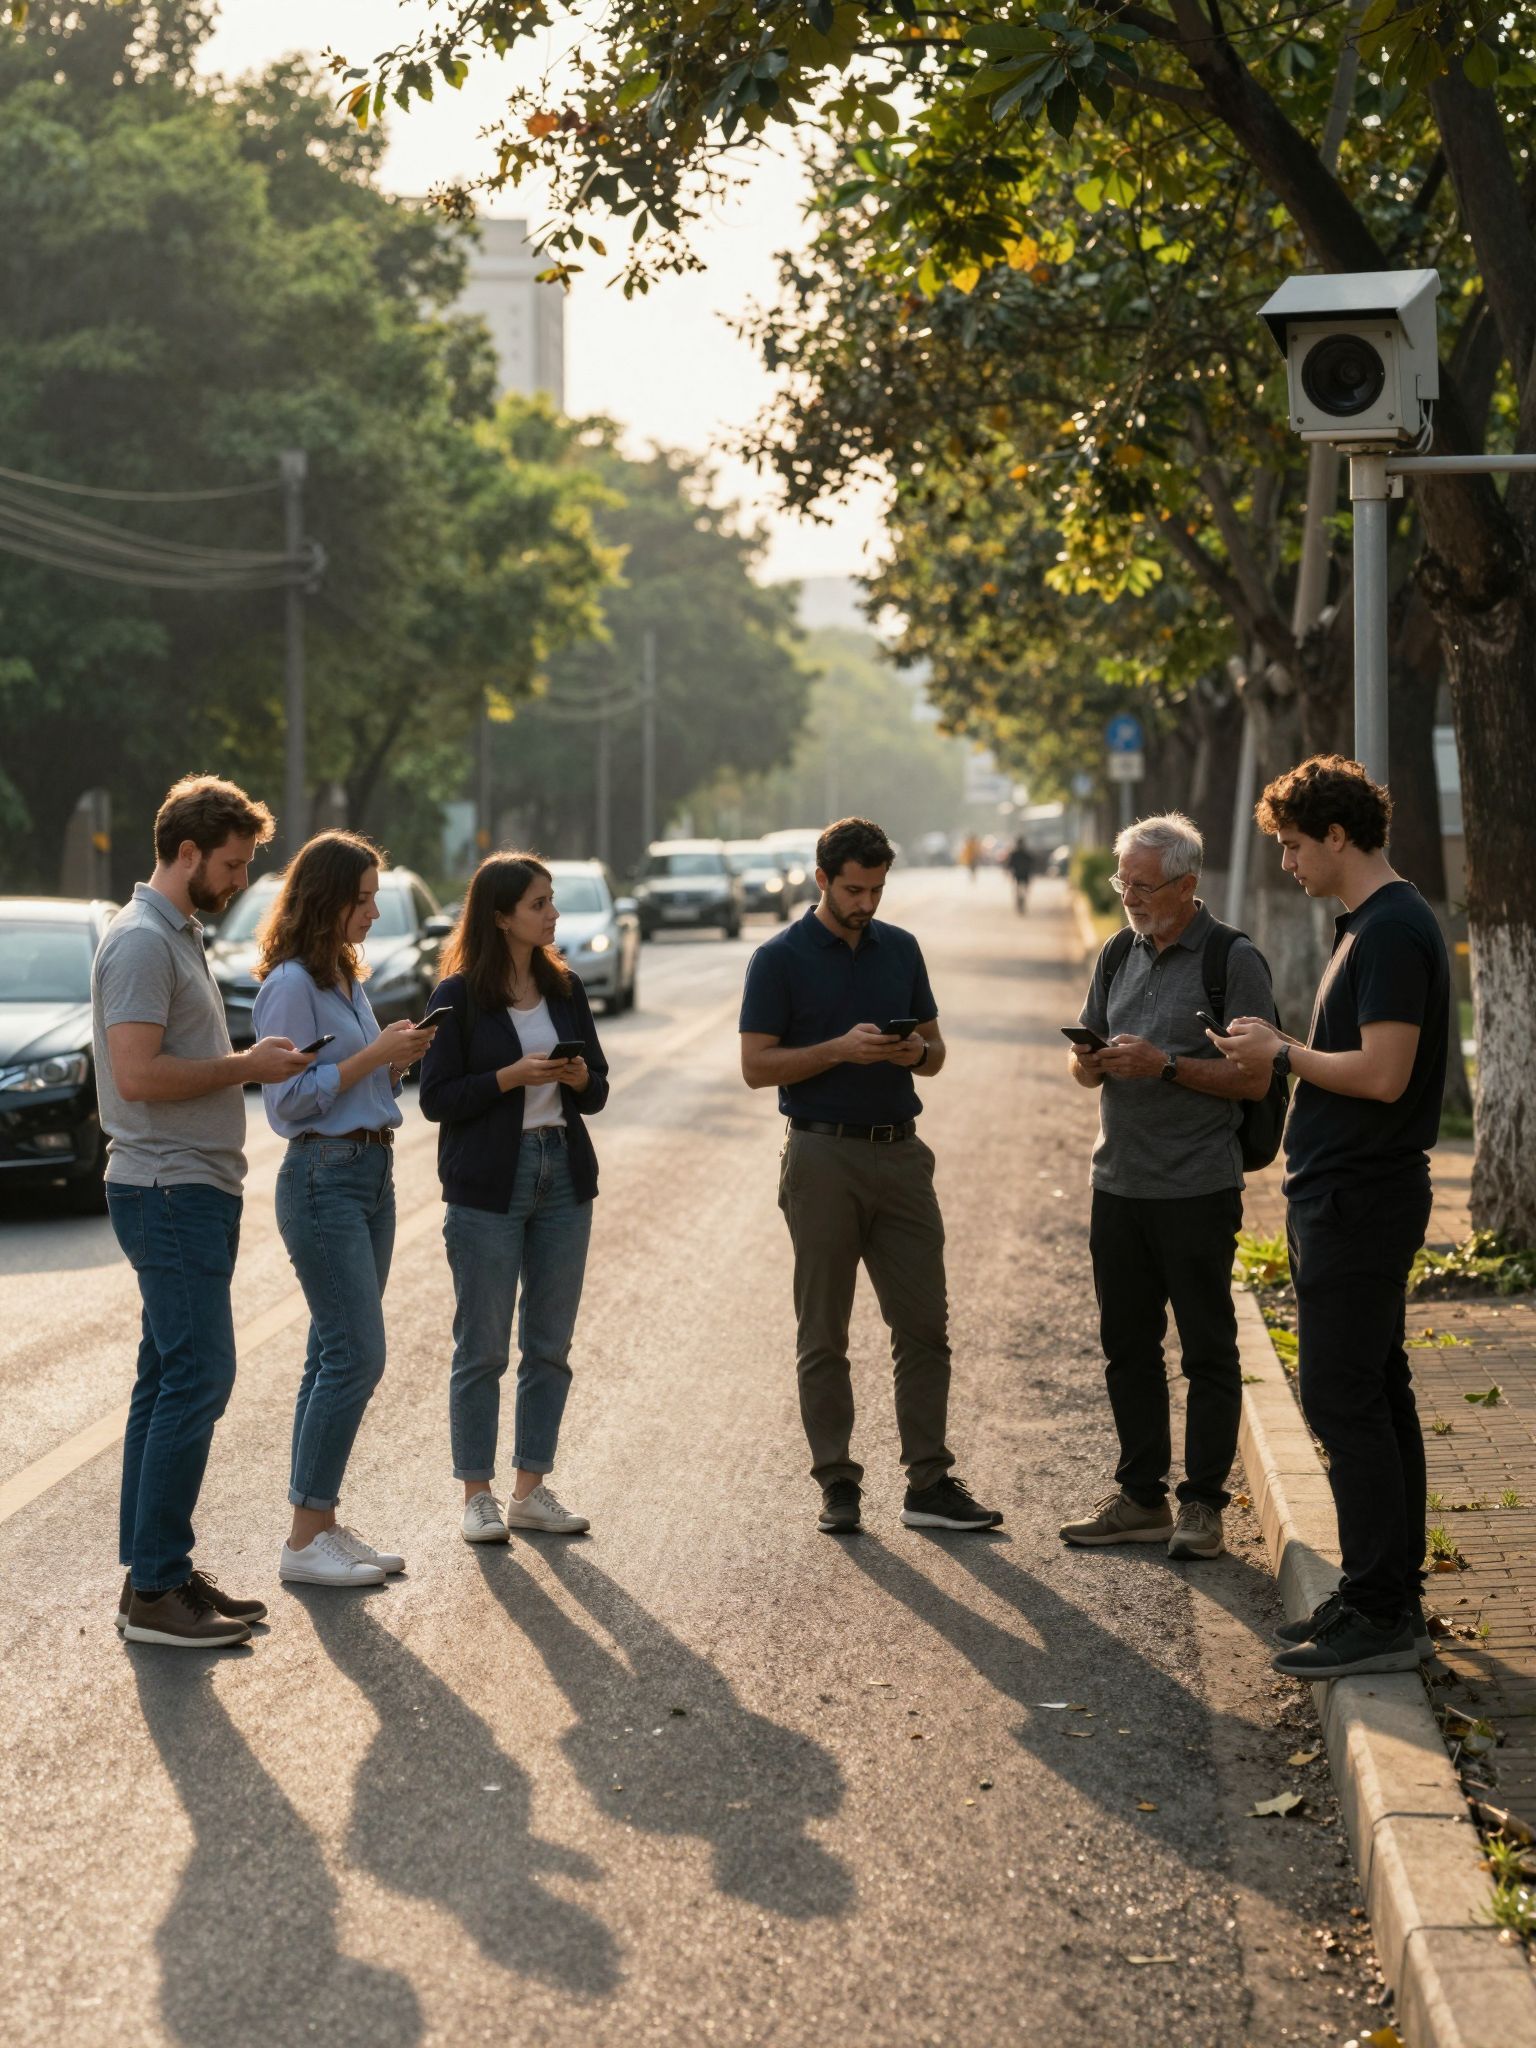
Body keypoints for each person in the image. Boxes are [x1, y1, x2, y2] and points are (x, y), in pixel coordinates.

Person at [1214, 756, 1449, 1679]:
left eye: (1294, 844)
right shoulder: (1374, 925)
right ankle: (1382, 1592)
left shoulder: (1390, 931)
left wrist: (1281, 1052)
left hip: (1363, 1196)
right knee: (1375, 1396)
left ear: (1338, 837)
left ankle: (1383, 1614)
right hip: (1345, 1194)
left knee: (1345, 1401)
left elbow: (1384, 1075)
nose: (1287, 863)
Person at [94, 774, 313, 1649]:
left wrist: (244, 1065)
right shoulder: (143, 941)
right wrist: (246, 1067)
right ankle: (155, 1589)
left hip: (186, 1186)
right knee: (199, 1377)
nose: (236, 880)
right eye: (229, 863)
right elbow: (139, 1074)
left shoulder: (172, 934)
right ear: (187, 853)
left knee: (165, 1380)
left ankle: (158, 1573)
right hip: (165, 1186)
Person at [739, 815, 1002, 1535]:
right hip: (822, 1156)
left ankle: (930, 1484)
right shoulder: (779, 958)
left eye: (878, 889)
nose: (866, 903)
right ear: (822, 880)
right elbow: (756, 1067)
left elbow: (937, 1050)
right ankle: (838, 1483)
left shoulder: (902, 949)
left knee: (924, 1325)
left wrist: (911, 1054)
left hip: (902, 1154)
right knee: (823, 1331)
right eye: (854, 889)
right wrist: (838, 1052)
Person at [1060, 814, 1277, 1561]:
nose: (1129, 898)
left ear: (1188, 886)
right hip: (1117, 1182)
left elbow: (1256, 1075)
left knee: (1208, 1351)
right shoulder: (1119, 951)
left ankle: (1204, 1506)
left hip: (1196, 1188)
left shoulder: (1232, 960)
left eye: (1144, 886)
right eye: (1124, 884)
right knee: (1127, 1347)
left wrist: (1167, 1067)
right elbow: (1085, 1052)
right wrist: (1089, 1063)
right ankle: (1142, 1498)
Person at [249, 833, 438, 1589]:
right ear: (326, 899)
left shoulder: (343, 977)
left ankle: (318, 1523)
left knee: (330, 1354)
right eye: (361, 897)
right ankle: (304, 1540)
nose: (374, 909)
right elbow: (288, 1101)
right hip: (323, 1177)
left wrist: (394, 1063)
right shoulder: (291, 982)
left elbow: (353, 1085)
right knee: (358, 1355)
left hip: (369, 1171)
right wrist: (369, 1057)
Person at [419, 853, 610, 1544]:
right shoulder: (458, 995)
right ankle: (478, 1494)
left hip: (562, 1170)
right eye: (538, 903)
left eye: (551, 901)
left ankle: (532, 1489)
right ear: (501, 916)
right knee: (482, 1348)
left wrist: (579, 1075)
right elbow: (436, 1098)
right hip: (487, 1183)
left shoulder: (565, 988)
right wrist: (508, 1077)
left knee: (550, 1345)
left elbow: (599, 1090)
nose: (552, 913)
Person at [1005, 835, 1034, 914]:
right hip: (1023, 875)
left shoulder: (1015, 854)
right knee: (1022, 889)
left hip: (1019, 875)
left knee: (1020, 889)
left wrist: (1007, 872)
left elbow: (1009, 864)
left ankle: (1020, 901)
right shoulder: (1026, 853)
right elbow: (1032, 864)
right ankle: (1021, 901)